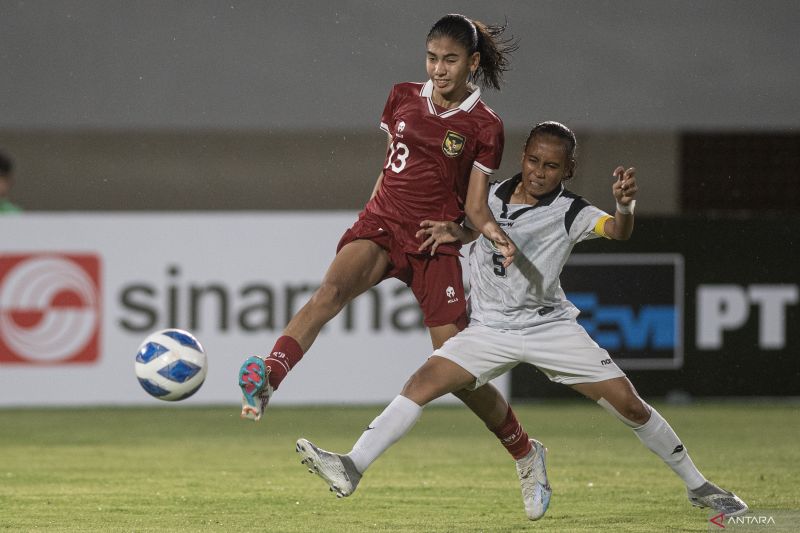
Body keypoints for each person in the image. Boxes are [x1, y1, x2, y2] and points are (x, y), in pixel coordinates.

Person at [294, 121, 749, 520]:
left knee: (630, 406)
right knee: (422, 383)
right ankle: (352, 466)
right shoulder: (487, 194)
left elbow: (616, 230)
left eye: (551, 167)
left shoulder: (572, 211)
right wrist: (451, 230)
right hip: (490, 329)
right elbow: (470, 225)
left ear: (567, 170)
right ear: (523, 156)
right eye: (534, 160)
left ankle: (698, 485)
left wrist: (625, 207)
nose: (539, 171)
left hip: (550, 328)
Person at [237, 13, 547, 512]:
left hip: (435, 243)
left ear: (471, 63)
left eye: (450, 60)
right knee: (329, 294)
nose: (439, 69)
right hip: (384, 222)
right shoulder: (402, 96)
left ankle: (525, 450)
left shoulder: (484, 126)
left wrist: (462, 234)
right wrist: (370, 215)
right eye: (431, 58)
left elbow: (475, 208)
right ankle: (268, 377)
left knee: (461, 374)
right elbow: (389, 166)